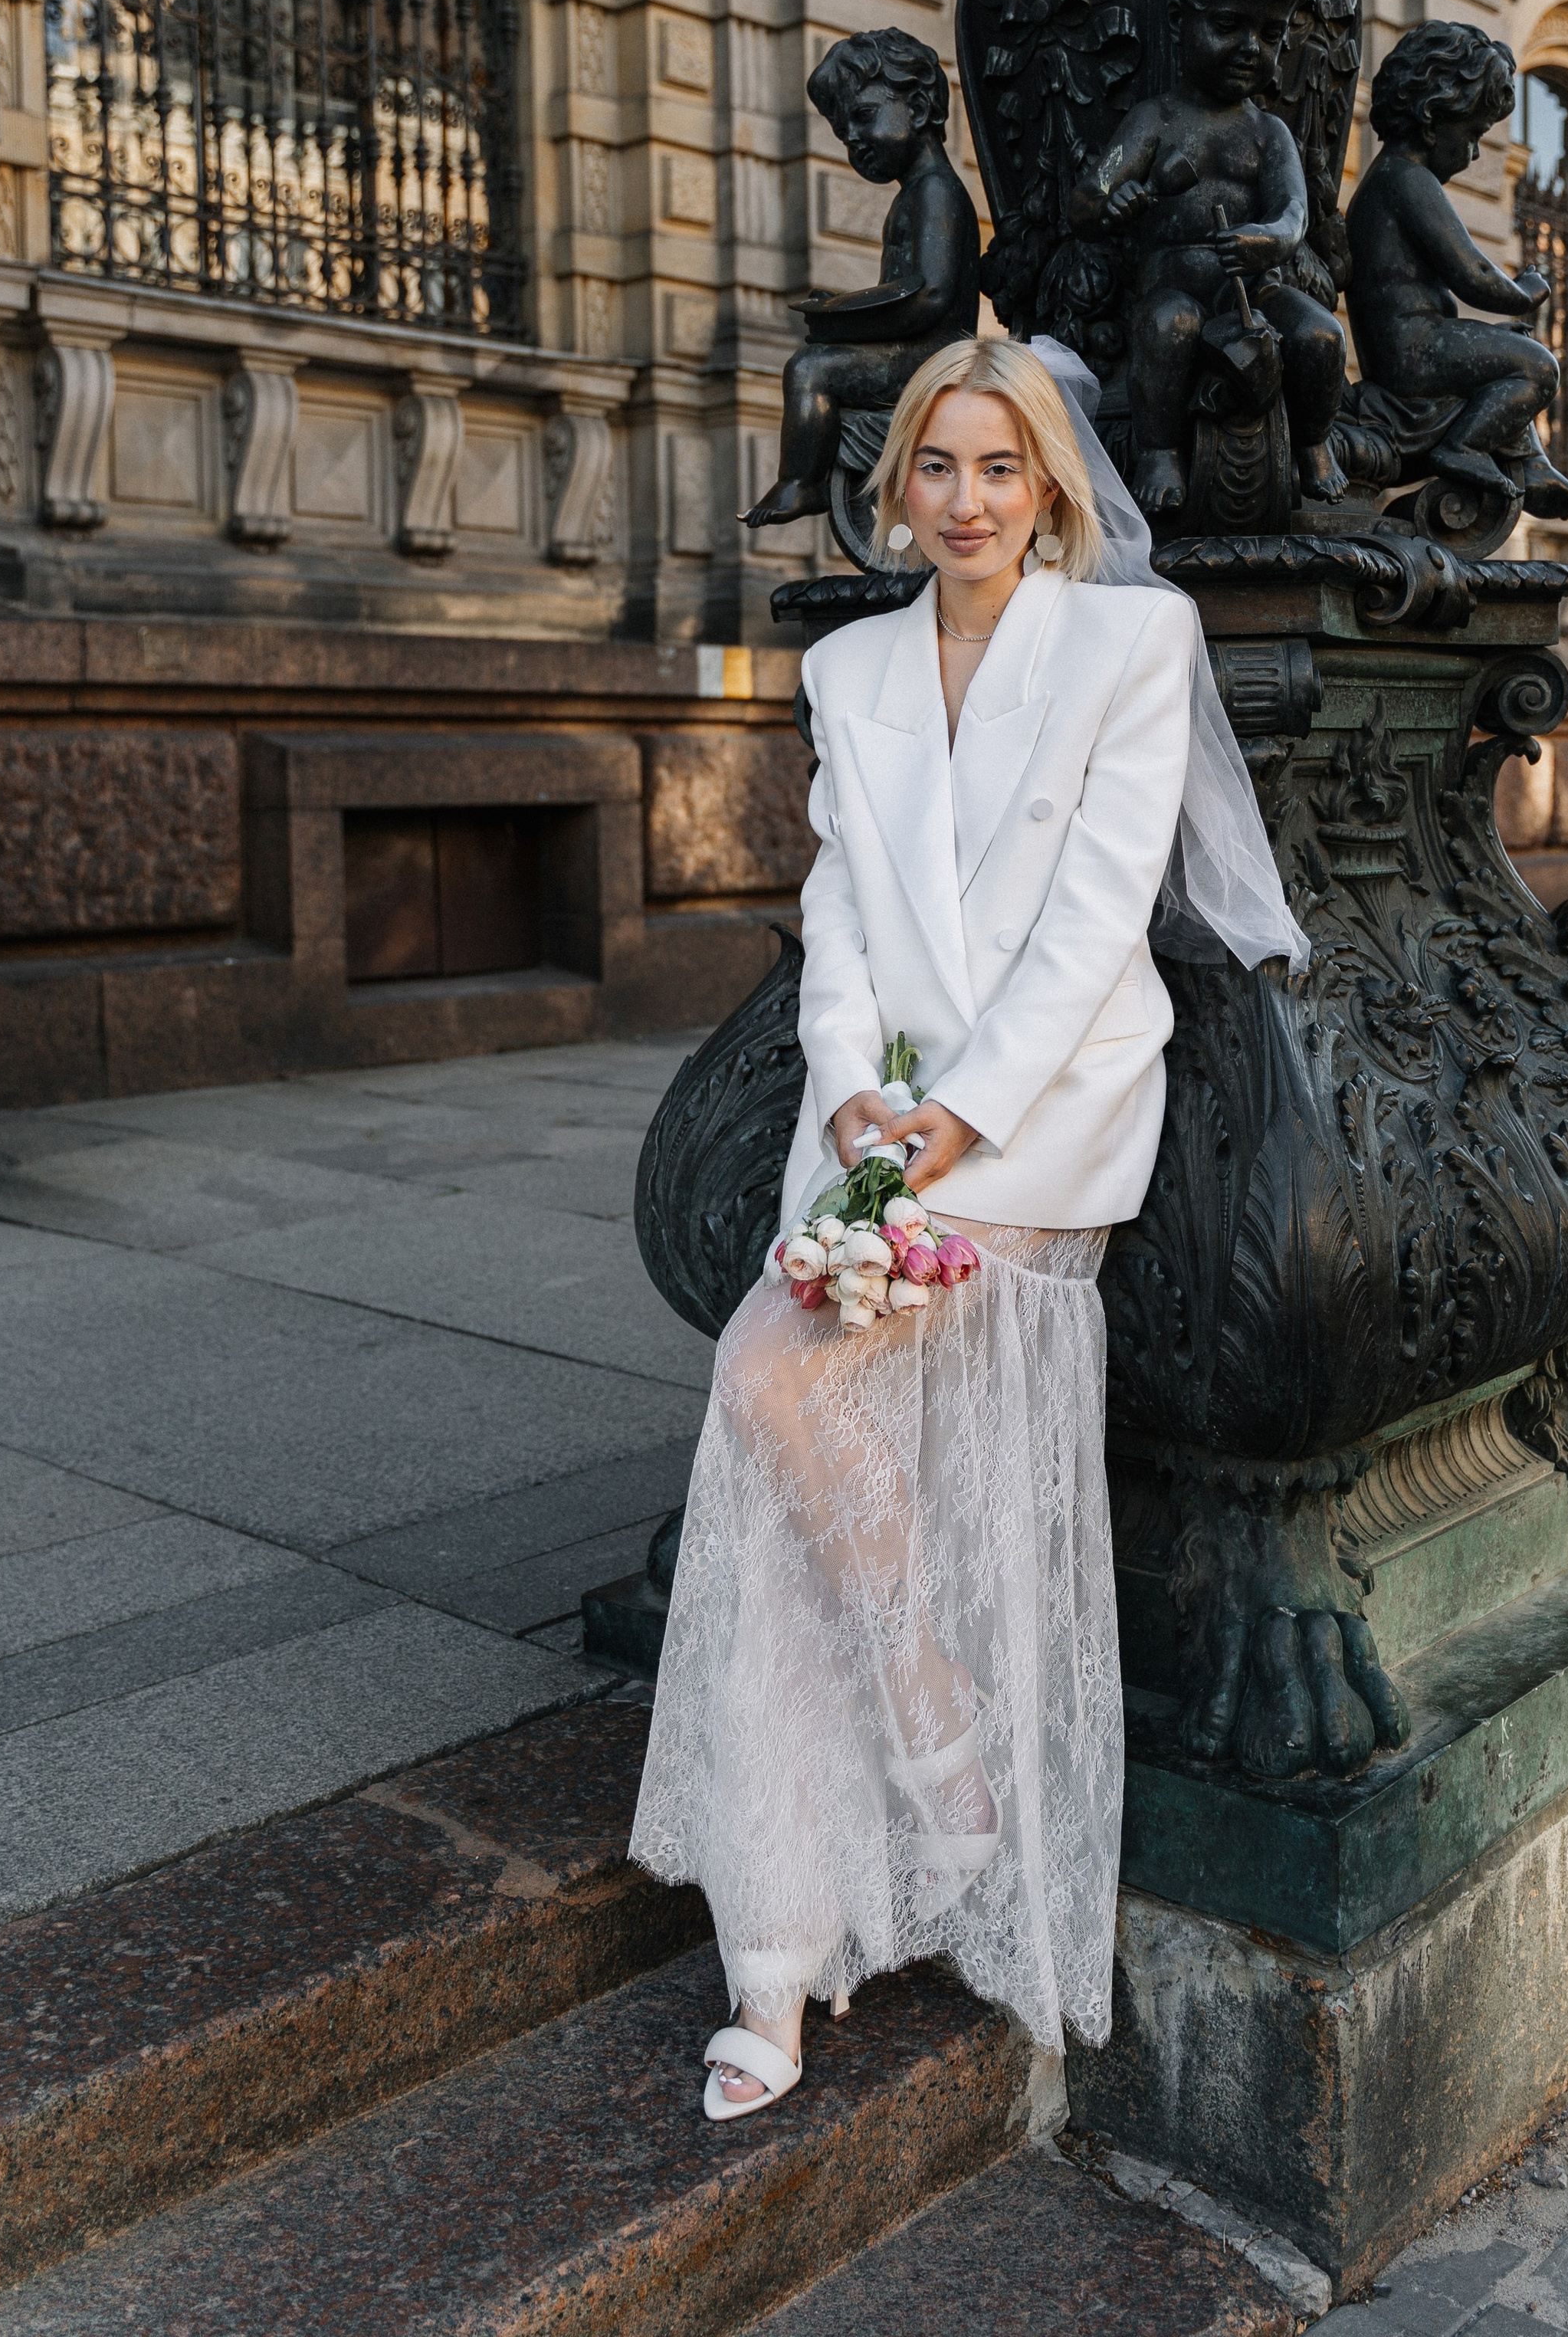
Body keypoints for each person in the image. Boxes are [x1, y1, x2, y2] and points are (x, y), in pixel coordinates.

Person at [629, 334, 1304, 2122]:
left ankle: (928, 1760)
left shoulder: (1127, 642)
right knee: (782, 1465)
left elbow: (1098, 912)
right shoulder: (845, 665)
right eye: (936, 465)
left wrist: (964, 1111)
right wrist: (856, 1087)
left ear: (1049, 484)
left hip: (1034, 1117)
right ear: (896, 484)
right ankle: (781, 1947)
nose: (966, 499)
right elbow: (838, 905)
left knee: (776, 1394)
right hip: (865, 1126)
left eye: (999, 466)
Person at [1067, 0, 1349, 519]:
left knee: (1323, 335)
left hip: (1254, 286)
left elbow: (1294, 214)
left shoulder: (1269, 132)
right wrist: (1114, 201)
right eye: (1227, 24)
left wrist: (1268, 240)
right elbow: (1087, 198)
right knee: (1167, 327)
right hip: (1174, 282)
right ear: (1180, 20)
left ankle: (1314, 443)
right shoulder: (1156, 120)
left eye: (1269, 34)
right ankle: (1159, 452)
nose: (1250, 48)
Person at [1342, 21, 1568, 519]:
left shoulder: (1389, 179)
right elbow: (1473, 272)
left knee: (1509, 347)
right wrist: (1524, 293)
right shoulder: (1408, 181)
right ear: (1435, 117)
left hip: (1411, 347)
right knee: (1537, 367)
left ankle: (1532, 464)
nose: (1475, 152)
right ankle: (1462, 447)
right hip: (1413, 353)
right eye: (1474, 134)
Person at [742, 30, 981, 529]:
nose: (851, 137)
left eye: (864, 116)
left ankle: (801, 483)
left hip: (933, 358)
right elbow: (903, 290)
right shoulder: (915, 194)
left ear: (918, 108)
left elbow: (929, 295)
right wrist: (840, 308)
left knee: (811, 369)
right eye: (841, 130)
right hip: (919, 352)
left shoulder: (936, 192)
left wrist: (841, 318)